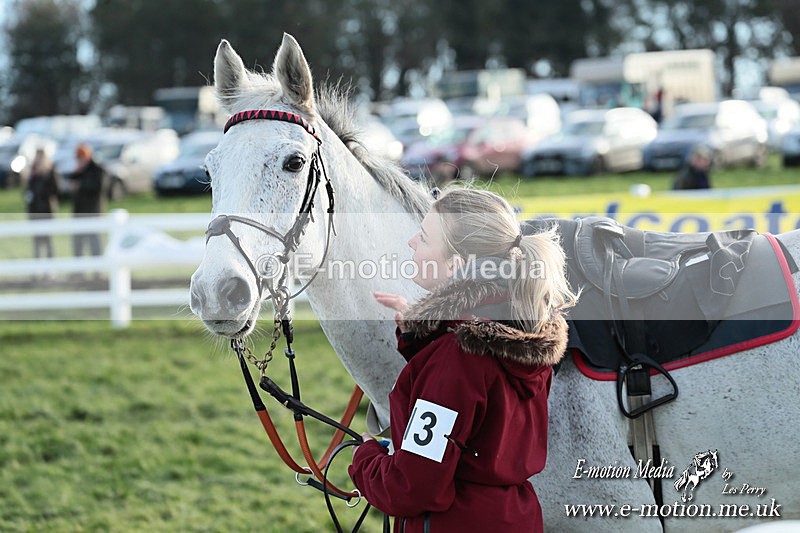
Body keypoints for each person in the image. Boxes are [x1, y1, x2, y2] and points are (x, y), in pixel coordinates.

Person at [348, 188, 578, 532]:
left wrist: (364, 458)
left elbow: (408, 488)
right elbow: (475, 413)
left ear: (457, 265)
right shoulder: (523, 328)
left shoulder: (459, 360)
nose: (412, 242)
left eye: (425, 237)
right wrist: (422, 332)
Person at [69, 143, 109, 257]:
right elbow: (71, 182)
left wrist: (80, 185)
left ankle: (97, 272)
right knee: (78, 244)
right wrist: (76, 172)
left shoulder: (97, 170)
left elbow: (99, 186)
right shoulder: (79, 171)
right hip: (79, 212)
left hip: (93, 211)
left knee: (94, 242)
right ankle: (78, 271)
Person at [24, 148, 59, 259]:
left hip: (46, 211)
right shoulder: (33, 175)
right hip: (35, 211)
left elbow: (55, 190)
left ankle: (50, 268)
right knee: (36, 242)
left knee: (47, 240)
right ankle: (37, 268)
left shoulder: (49, 173)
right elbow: (27, 193)